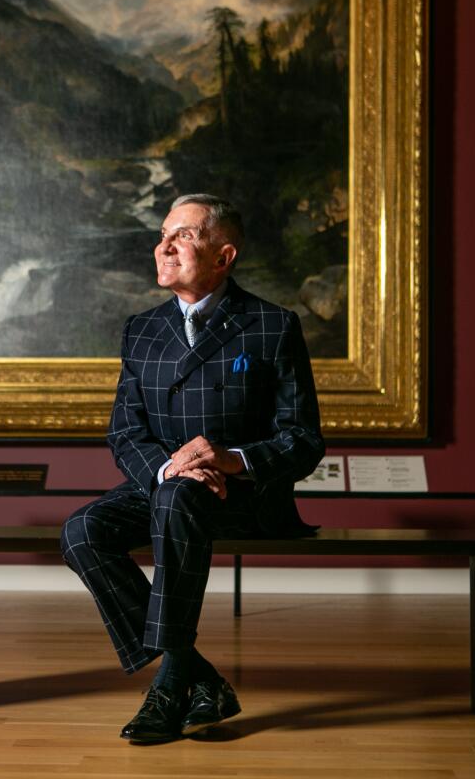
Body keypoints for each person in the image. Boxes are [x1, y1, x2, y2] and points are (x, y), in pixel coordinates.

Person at [60, 193, 325, 744]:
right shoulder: (141, 329)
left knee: (179, 501)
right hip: (165, 484)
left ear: (224, 256)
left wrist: (231, 459)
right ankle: (197, 674)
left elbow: (303, 440)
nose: (164, 246)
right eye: (164, 234)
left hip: (244, 496)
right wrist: (166, 470)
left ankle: (169, 686)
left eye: (183, 236)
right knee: (82, 530)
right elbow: (125, 433)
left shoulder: (272, 326)